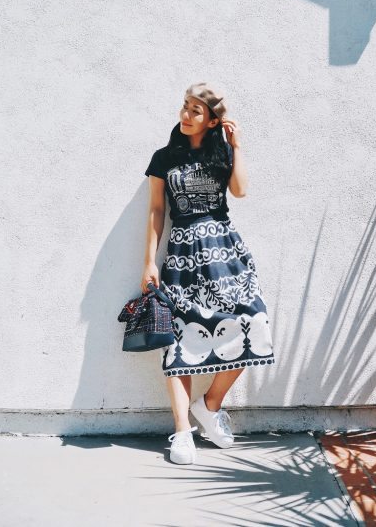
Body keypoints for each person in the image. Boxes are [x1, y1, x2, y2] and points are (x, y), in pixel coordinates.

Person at [141, 82, 275, 465]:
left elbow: (241, 190)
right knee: (179, 340)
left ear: (212, 120)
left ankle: (210, 405)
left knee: (253, 323)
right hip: (182, 255)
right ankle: (183, 432)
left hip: (225, 252)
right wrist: (149, 261)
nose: (185, 114)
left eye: (195, 110)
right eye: (185, 106)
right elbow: (156, 211)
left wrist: (236, 145)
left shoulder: (221, 154)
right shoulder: (164, 157)